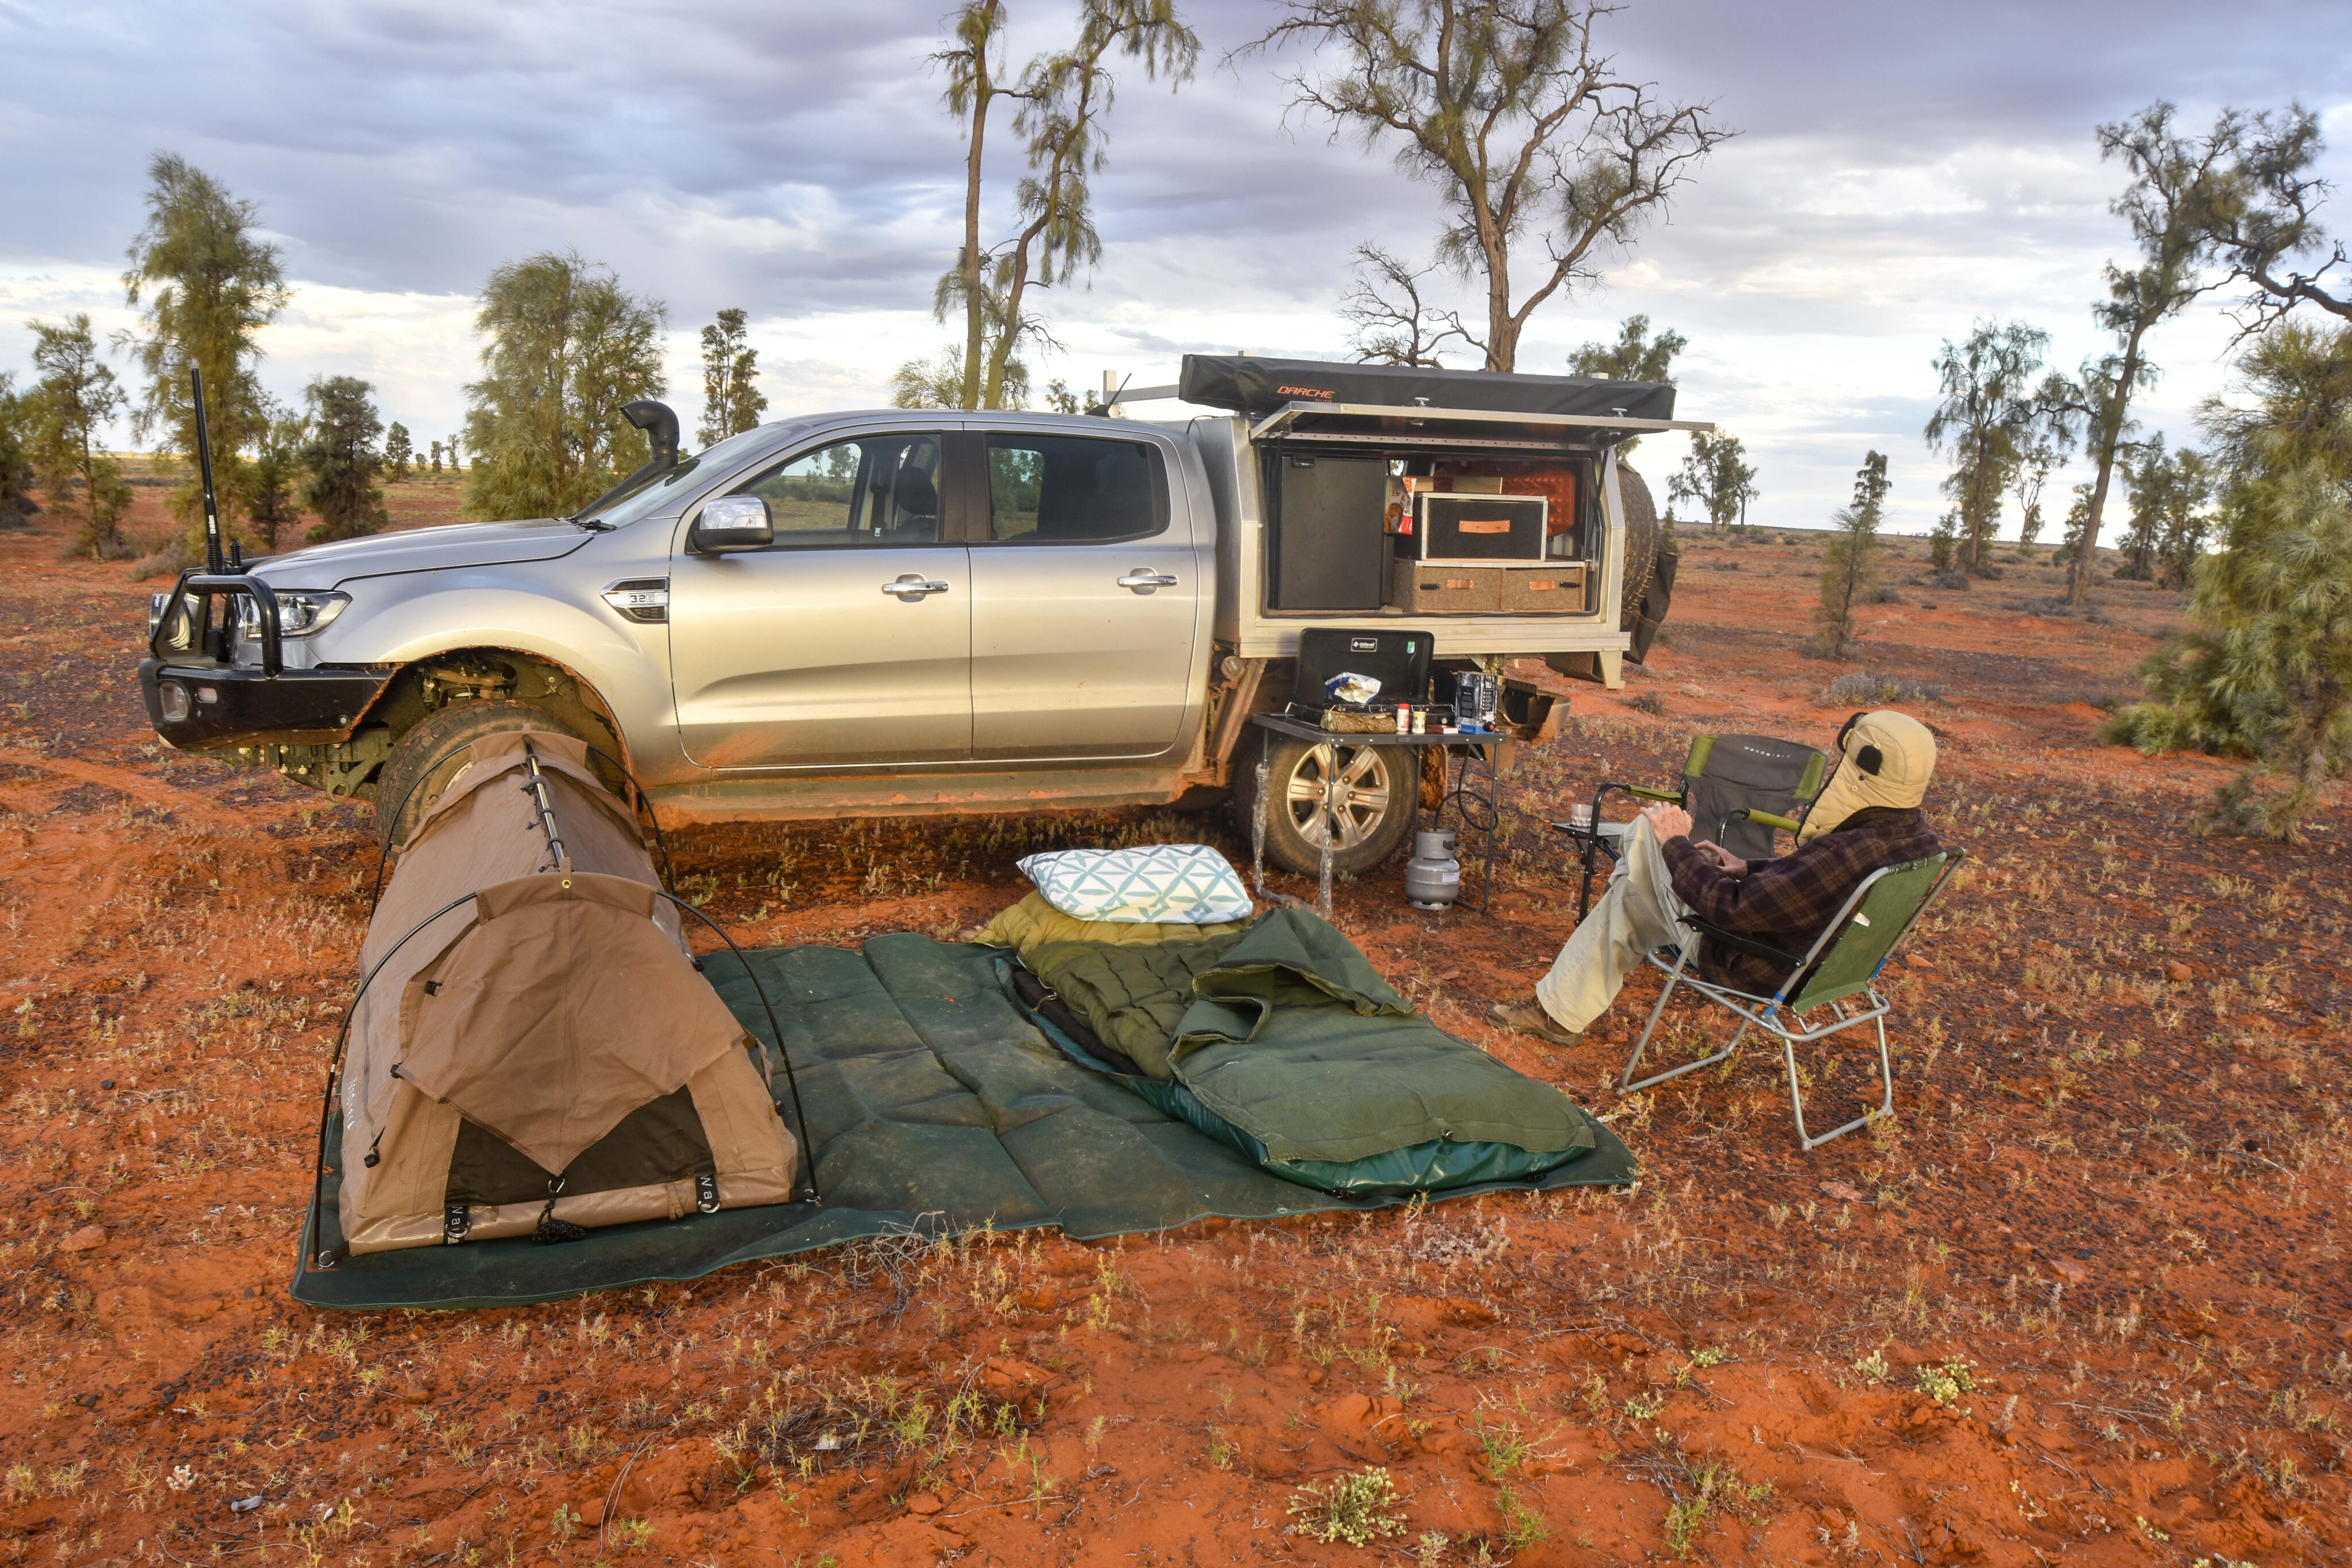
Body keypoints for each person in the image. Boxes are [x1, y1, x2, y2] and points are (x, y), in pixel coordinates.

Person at [1492, 710, 1944, 1046]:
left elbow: (1729, 908)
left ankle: (1558, 1013)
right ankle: (1557, 1013)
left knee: (1648, 830)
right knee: (1633, 897)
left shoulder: (1845, 851)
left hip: (1748, 962)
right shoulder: (1918, 842)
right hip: (1823, 969)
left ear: (1862, 767)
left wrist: (1675, 843)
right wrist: (1751, 867)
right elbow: (1806, 886)